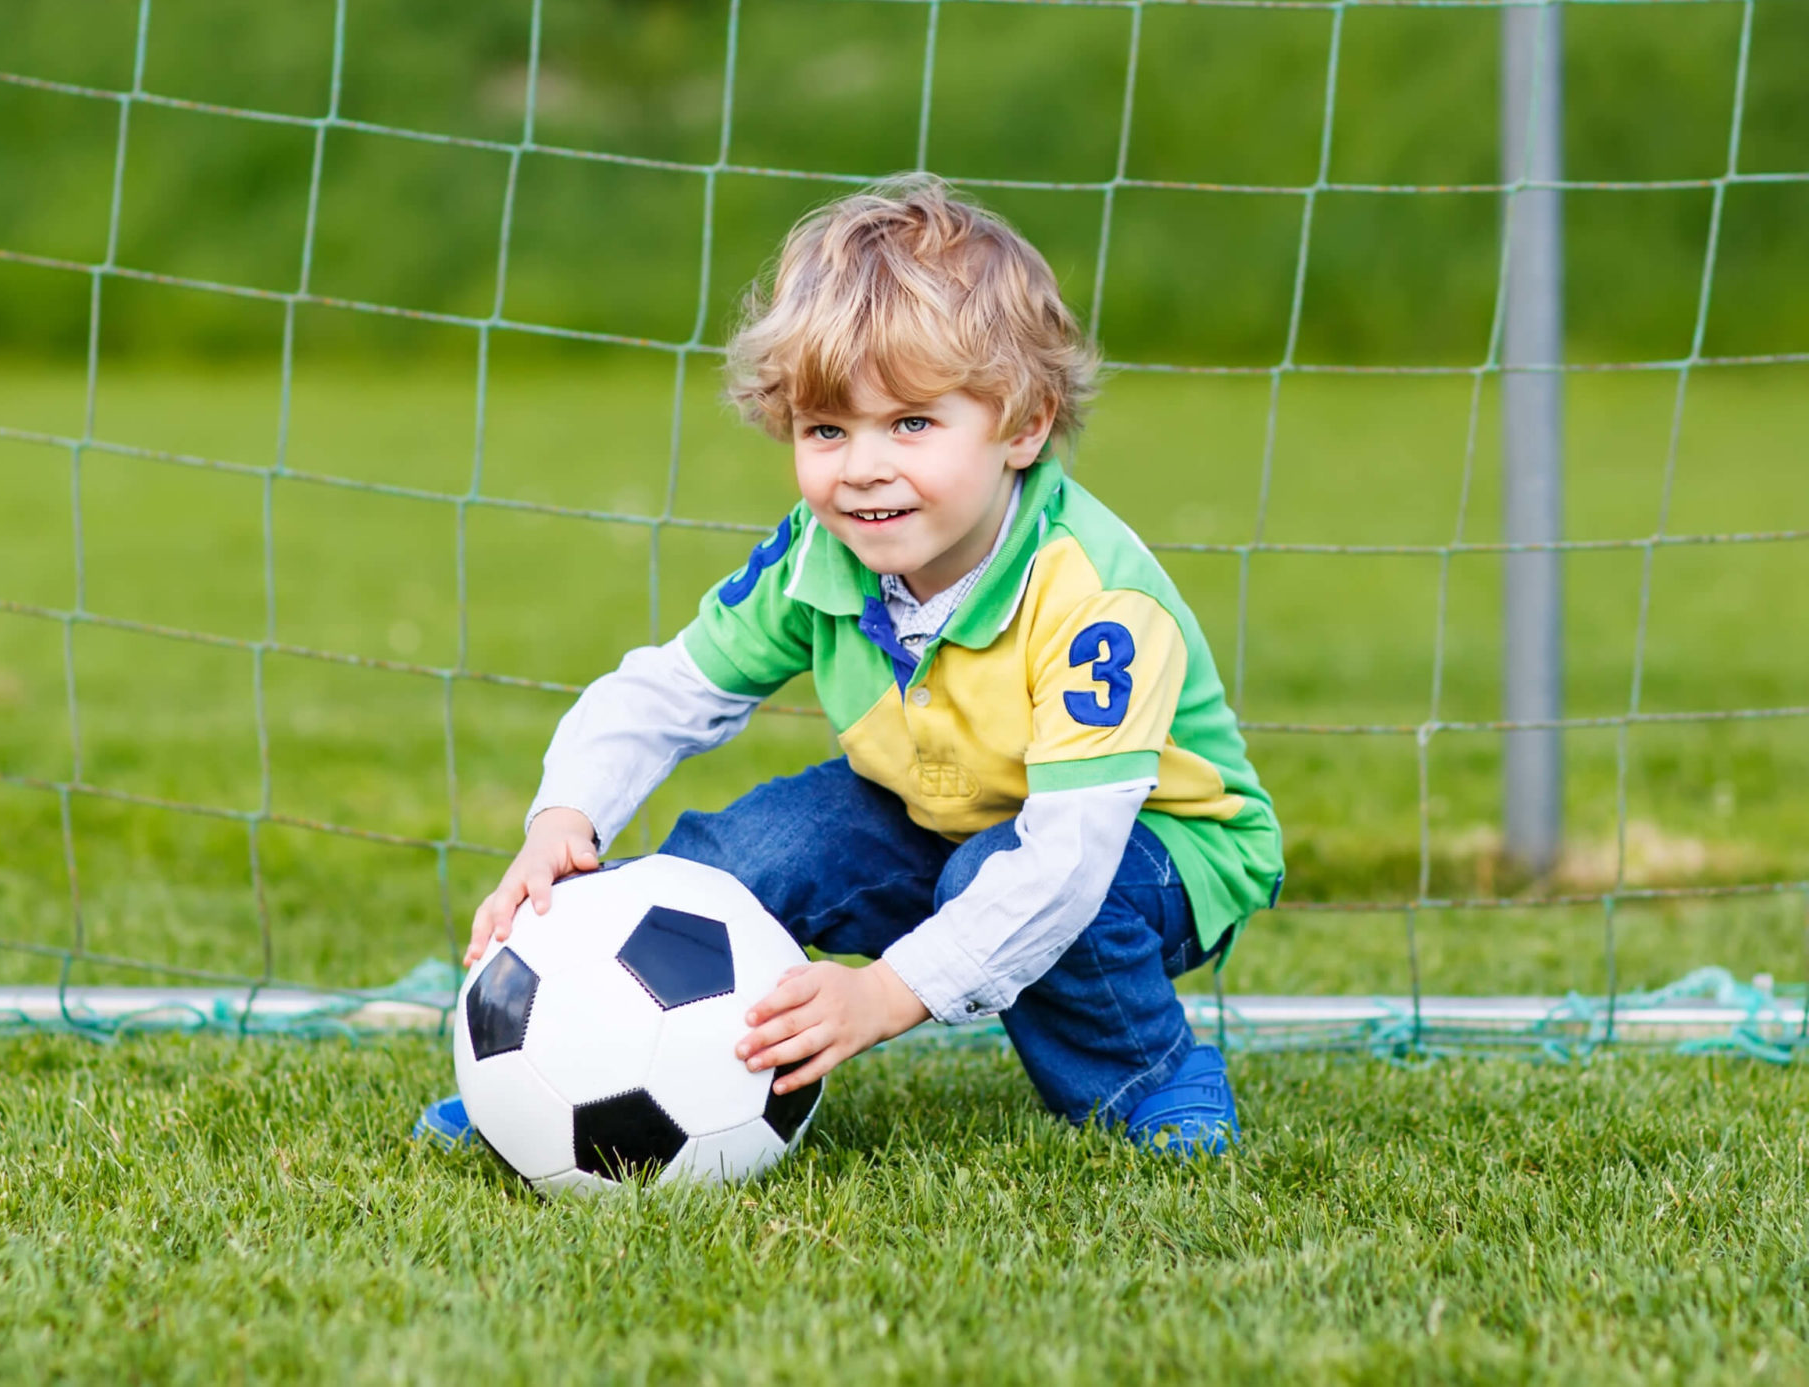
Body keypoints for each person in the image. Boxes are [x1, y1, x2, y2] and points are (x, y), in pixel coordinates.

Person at [416, 174, 1283, 1157]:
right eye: (826, 429)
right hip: (940, 810)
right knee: (747, 858)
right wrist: (564, 817)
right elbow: (666, 691)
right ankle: (561, 1071)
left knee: (1015, 884)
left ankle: (1150, 1079)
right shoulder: (817, 557)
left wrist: (885, 993)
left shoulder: (1091, 598)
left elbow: (1067, 859)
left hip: (1150, 847)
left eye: (911, 423)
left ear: (1023, 425)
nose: (861, 467)